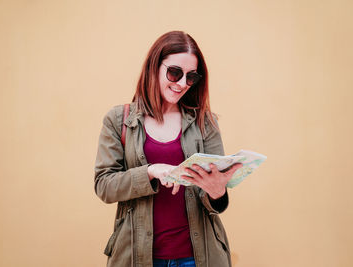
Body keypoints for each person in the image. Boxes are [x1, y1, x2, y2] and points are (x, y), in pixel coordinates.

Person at [94, 31, 242, 267]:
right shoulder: (118, 120)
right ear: (155, 66)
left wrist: (217, 192)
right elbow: (104, 185)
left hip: (197, 258)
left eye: (191, 77)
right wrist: (151, 171)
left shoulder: (206, 123)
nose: (182, 84)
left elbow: (215, 202)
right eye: (175, 72)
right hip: (137, 257)